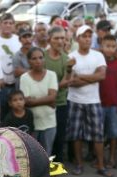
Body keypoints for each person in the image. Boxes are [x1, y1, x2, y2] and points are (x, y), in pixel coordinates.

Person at [66, 26, 108, 176]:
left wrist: (80, 77)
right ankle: (79, 164)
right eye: (84, 36)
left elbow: (102, 76)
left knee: (98, 135)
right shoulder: (70, 57)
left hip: (93, 100)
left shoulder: (98, 55)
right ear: (77, 39)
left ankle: (101, 165)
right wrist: (91, 77)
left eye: (90, 36)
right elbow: (71, 82)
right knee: (76, 135)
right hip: (75, 100)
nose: (87, 39)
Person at [20, 48, 57, 153]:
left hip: (49, 122)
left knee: (47, 153)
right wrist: (48, 101)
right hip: (32, 123)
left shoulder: (51, 75)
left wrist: (34, 101)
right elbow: (26, 101)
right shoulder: (24, 78)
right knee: (33, 154)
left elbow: (52, 97)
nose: (38, 61)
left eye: (41, 58)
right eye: (34, 58)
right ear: (29, 61)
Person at [44, 26, 71, 166]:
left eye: (62, 38)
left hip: (60, 103)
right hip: (42, 104)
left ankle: (55, 172)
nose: (60, 41)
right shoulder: (41, 57)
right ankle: (41, 170)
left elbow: (66, 82)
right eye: (56, 38)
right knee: (43, 140)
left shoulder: (67, 59)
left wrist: (52, 90)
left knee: (59, 139)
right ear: (49, 40)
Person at [98, 35, 117, 169]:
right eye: (107, 46)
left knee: (114, 133)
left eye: (113, 47)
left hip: (113, 103)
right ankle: (100, 159)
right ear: (102, 46)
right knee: (99, 134)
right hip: (99, 103)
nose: (110, 49)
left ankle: (112, 157)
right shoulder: (98, 61)